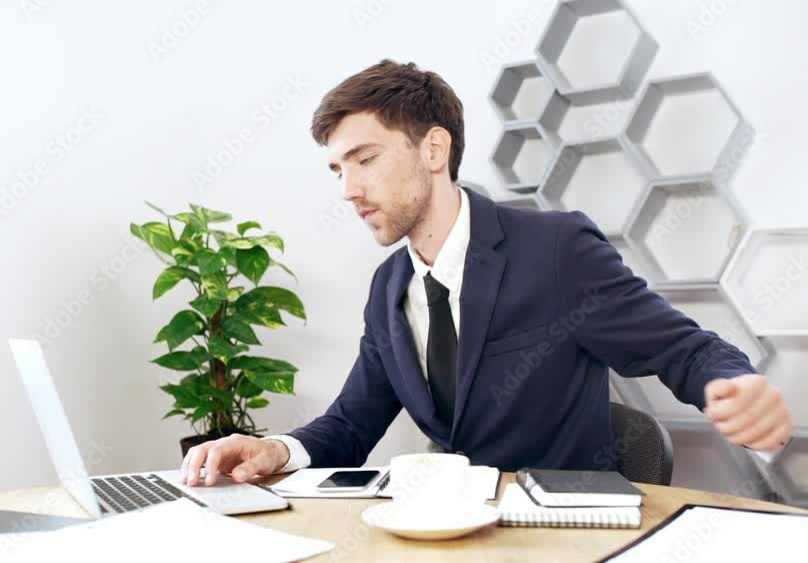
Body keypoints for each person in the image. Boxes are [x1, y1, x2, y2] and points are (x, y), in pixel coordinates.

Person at [181, 60, 792, 487]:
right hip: (449, 533)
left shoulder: (554, 249)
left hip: (558, 534)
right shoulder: (389, 288)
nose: (349, 189)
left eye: (364, 159)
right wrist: (276, 449)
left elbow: (684, 350)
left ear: (434, 150)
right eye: (338, 170)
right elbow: (352, 423)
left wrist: (731, 385)